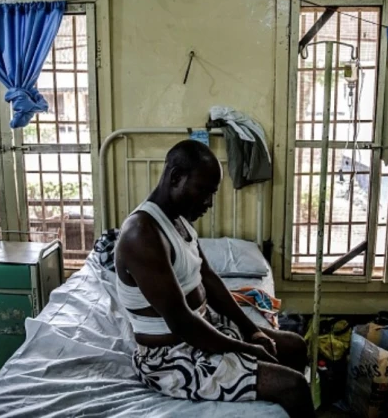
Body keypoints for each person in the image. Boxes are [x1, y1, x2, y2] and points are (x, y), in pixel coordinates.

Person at [115, 140, 313, 417]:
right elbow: (182, 322)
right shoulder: (142, 234)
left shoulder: (179, 220)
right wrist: (247, 348)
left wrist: (251, 330)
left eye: (213, 193)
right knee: (294, 386)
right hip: (170, 356)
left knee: (295, 346)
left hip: (206, 328)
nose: (209, 203)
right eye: (203, 191)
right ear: (176, 177)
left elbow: (207, 277)